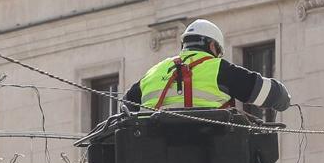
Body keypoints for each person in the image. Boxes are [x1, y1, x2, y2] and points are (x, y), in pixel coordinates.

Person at [122, 19, 291, 114]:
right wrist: (283, 98)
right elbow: (263, 91)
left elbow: (126, 108)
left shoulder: (153, 72)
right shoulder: (217, 68)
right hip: (206, 153)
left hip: (151, 159)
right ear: (212, 46)